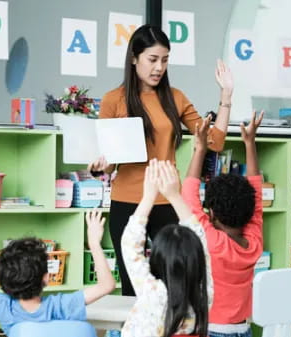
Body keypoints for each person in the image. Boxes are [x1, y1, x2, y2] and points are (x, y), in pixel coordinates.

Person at [87, 24, 233, 296]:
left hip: (167, 199)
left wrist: (226, 97)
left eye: (164, 60)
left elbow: (216, 141)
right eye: (152, 59)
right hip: (128, 201)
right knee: (133, 285)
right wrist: (99, 166)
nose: (159, 67)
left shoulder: (174, 98)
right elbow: (108, 161)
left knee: (177, 281)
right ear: (134, 58)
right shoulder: (112, 100)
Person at [72, 159, 213, 337]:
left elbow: (129, 242)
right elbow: (201, 241)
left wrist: (148, 196)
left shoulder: (153, 293)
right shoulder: (204, 294)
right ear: (197, 259)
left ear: (156, 260)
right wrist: (173, 195)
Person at [0, 205, 115, 335]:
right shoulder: (61, 306)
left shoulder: (2, 307)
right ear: (46, 278)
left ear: (2, 279)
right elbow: (107, 285)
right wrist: (93, 243)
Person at [181, 111, 264, 337]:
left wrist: (199, 149)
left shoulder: (212, 243)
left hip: (215, 336)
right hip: (244, 336)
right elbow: (257, 195)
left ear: (213, 211)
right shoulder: (254, 243)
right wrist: (250, 143)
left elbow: (189, 196)